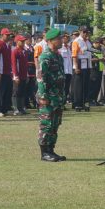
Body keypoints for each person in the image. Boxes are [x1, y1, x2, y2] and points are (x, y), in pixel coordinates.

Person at [36, 28, 66, 162]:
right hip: (48, 96)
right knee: (46, 124)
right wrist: (43, 96)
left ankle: (51, 150)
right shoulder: (45, 57)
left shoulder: (58, 56)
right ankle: (44, 153)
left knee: (55, 124)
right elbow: (41, 77)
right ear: (50, 41)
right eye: (58, 39)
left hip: (57, 96)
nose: (61, 41)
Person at [71, 28, 92, 111]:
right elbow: (74, 55)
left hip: (86, 65)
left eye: (87, 32)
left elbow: (90, 52)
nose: (86, 34)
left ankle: (83, 103)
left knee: (85, 85)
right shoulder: (76, 41)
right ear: (80, 32)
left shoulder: (87, 41)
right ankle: (77, 104)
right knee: (78, 87)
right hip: (79, 65)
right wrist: (76, 67)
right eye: (84, 32)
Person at [0, 28, 13, 117]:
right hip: (1, 72)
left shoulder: (7, 45)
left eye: (9, 35)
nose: (9, 36)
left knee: (7, 91)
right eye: (7, 35)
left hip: (7, 71)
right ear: (2, 35)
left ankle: (5, 109)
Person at [11, 34, 29, 115]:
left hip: (24, 74)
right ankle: (16, 109)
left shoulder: (24, 51)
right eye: (21, 41)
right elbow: (14, 64)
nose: (23, 42)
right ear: (17, 42)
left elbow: (25, 64)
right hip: (17, 75)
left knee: (22, 92)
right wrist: (15, 76)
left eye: (23, 41)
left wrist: (27, 74)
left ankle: (21, 108)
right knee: (16, 92)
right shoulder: (15, 51)